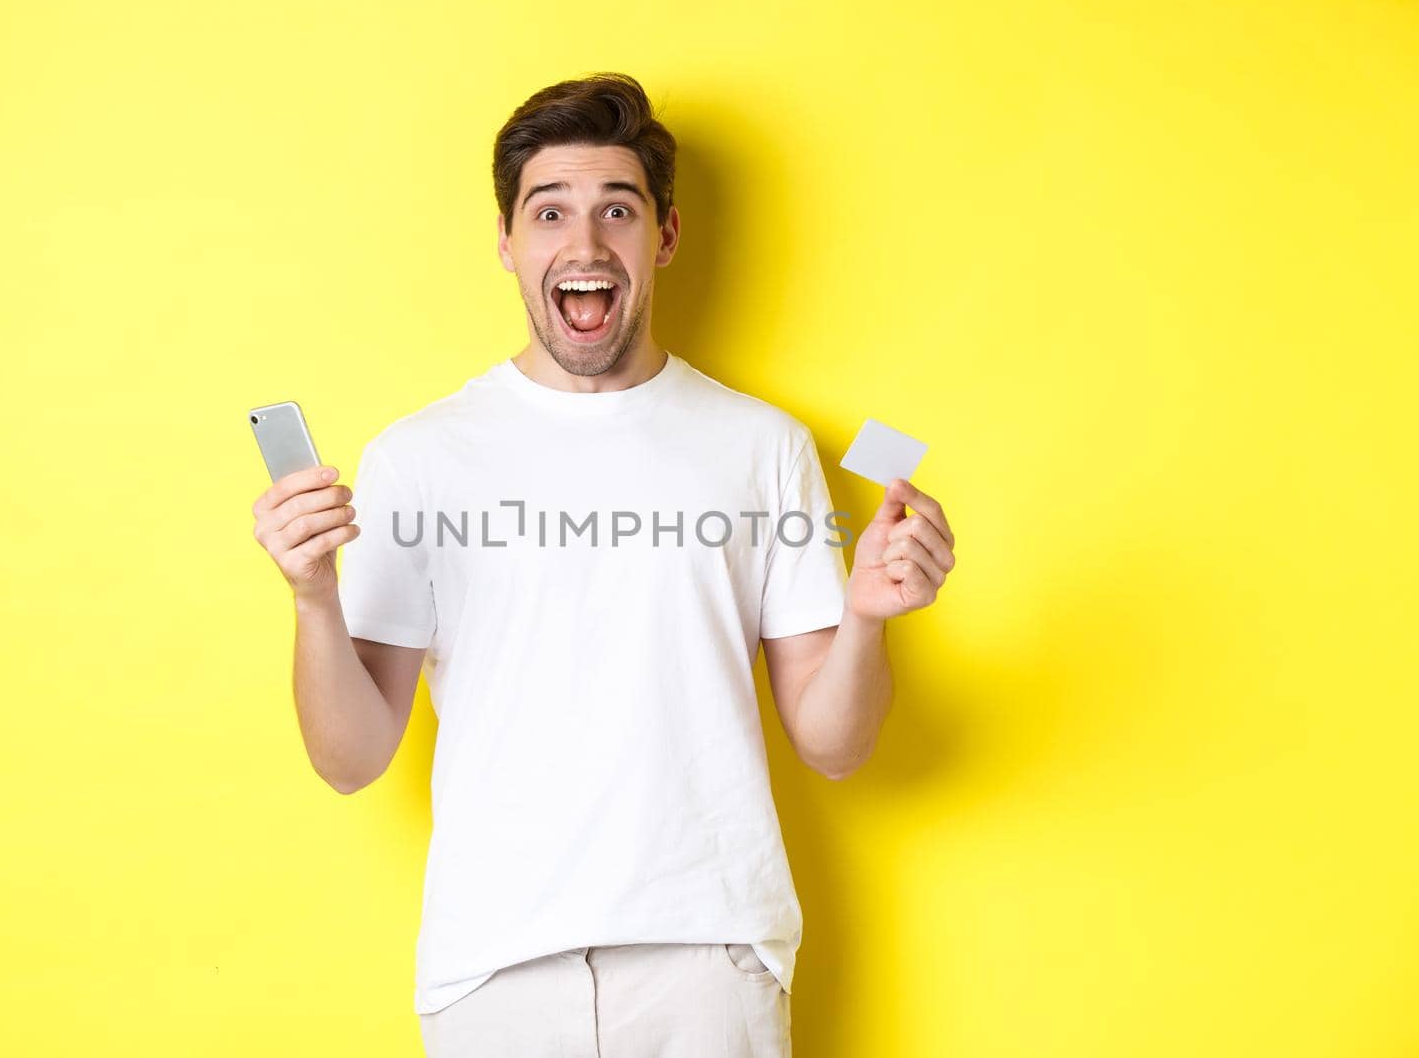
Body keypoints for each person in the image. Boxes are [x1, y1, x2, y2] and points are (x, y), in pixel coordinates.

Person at [251, 71, 957, 1058]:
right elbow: (349, 756)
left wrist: (873, 616)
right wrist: (312, 596)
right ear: (507, 241)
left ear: (661, 237)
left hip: (709, 956)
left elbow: (834, 743)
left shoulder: (762, 446)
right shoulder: (418, 456)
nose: (584, 245)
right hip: (494, 964)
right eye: (550, 213)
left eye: (616, 210)